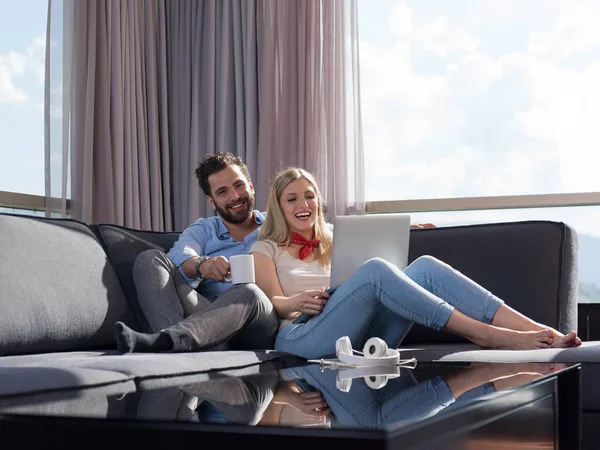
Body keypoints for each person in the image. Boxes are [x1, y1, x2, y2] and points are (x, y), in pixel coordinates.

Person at [249, 167, 582, 360]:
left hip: (362, 338)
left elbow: (370, 270)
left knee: (425, 266)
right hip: (301, 335)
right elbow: (272, 303)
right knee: (376, 270)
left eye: (309, 195)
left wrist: (403, 230)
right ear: (279, 207)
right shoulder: (265, 247)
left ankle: (540, 330)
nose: (303, 203)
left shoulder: (338, 236)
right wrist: (297, 301)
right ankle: (487, 335)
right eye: (292, 198)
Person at [114, 153, 279, 353]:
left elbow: (319, 235)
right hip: (209, 324)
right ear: (212, 201)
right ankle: (172, 343)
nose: (235, 196)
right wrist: (203, 265)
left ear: (250, 186)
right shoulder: (204, 229)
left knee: (248, 291)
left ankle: (171, 343)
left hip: (260, 323)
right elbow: (179, 256)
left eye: (239, 185)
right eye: (222, 192)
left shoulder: (277, 224)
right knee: (150, 259)